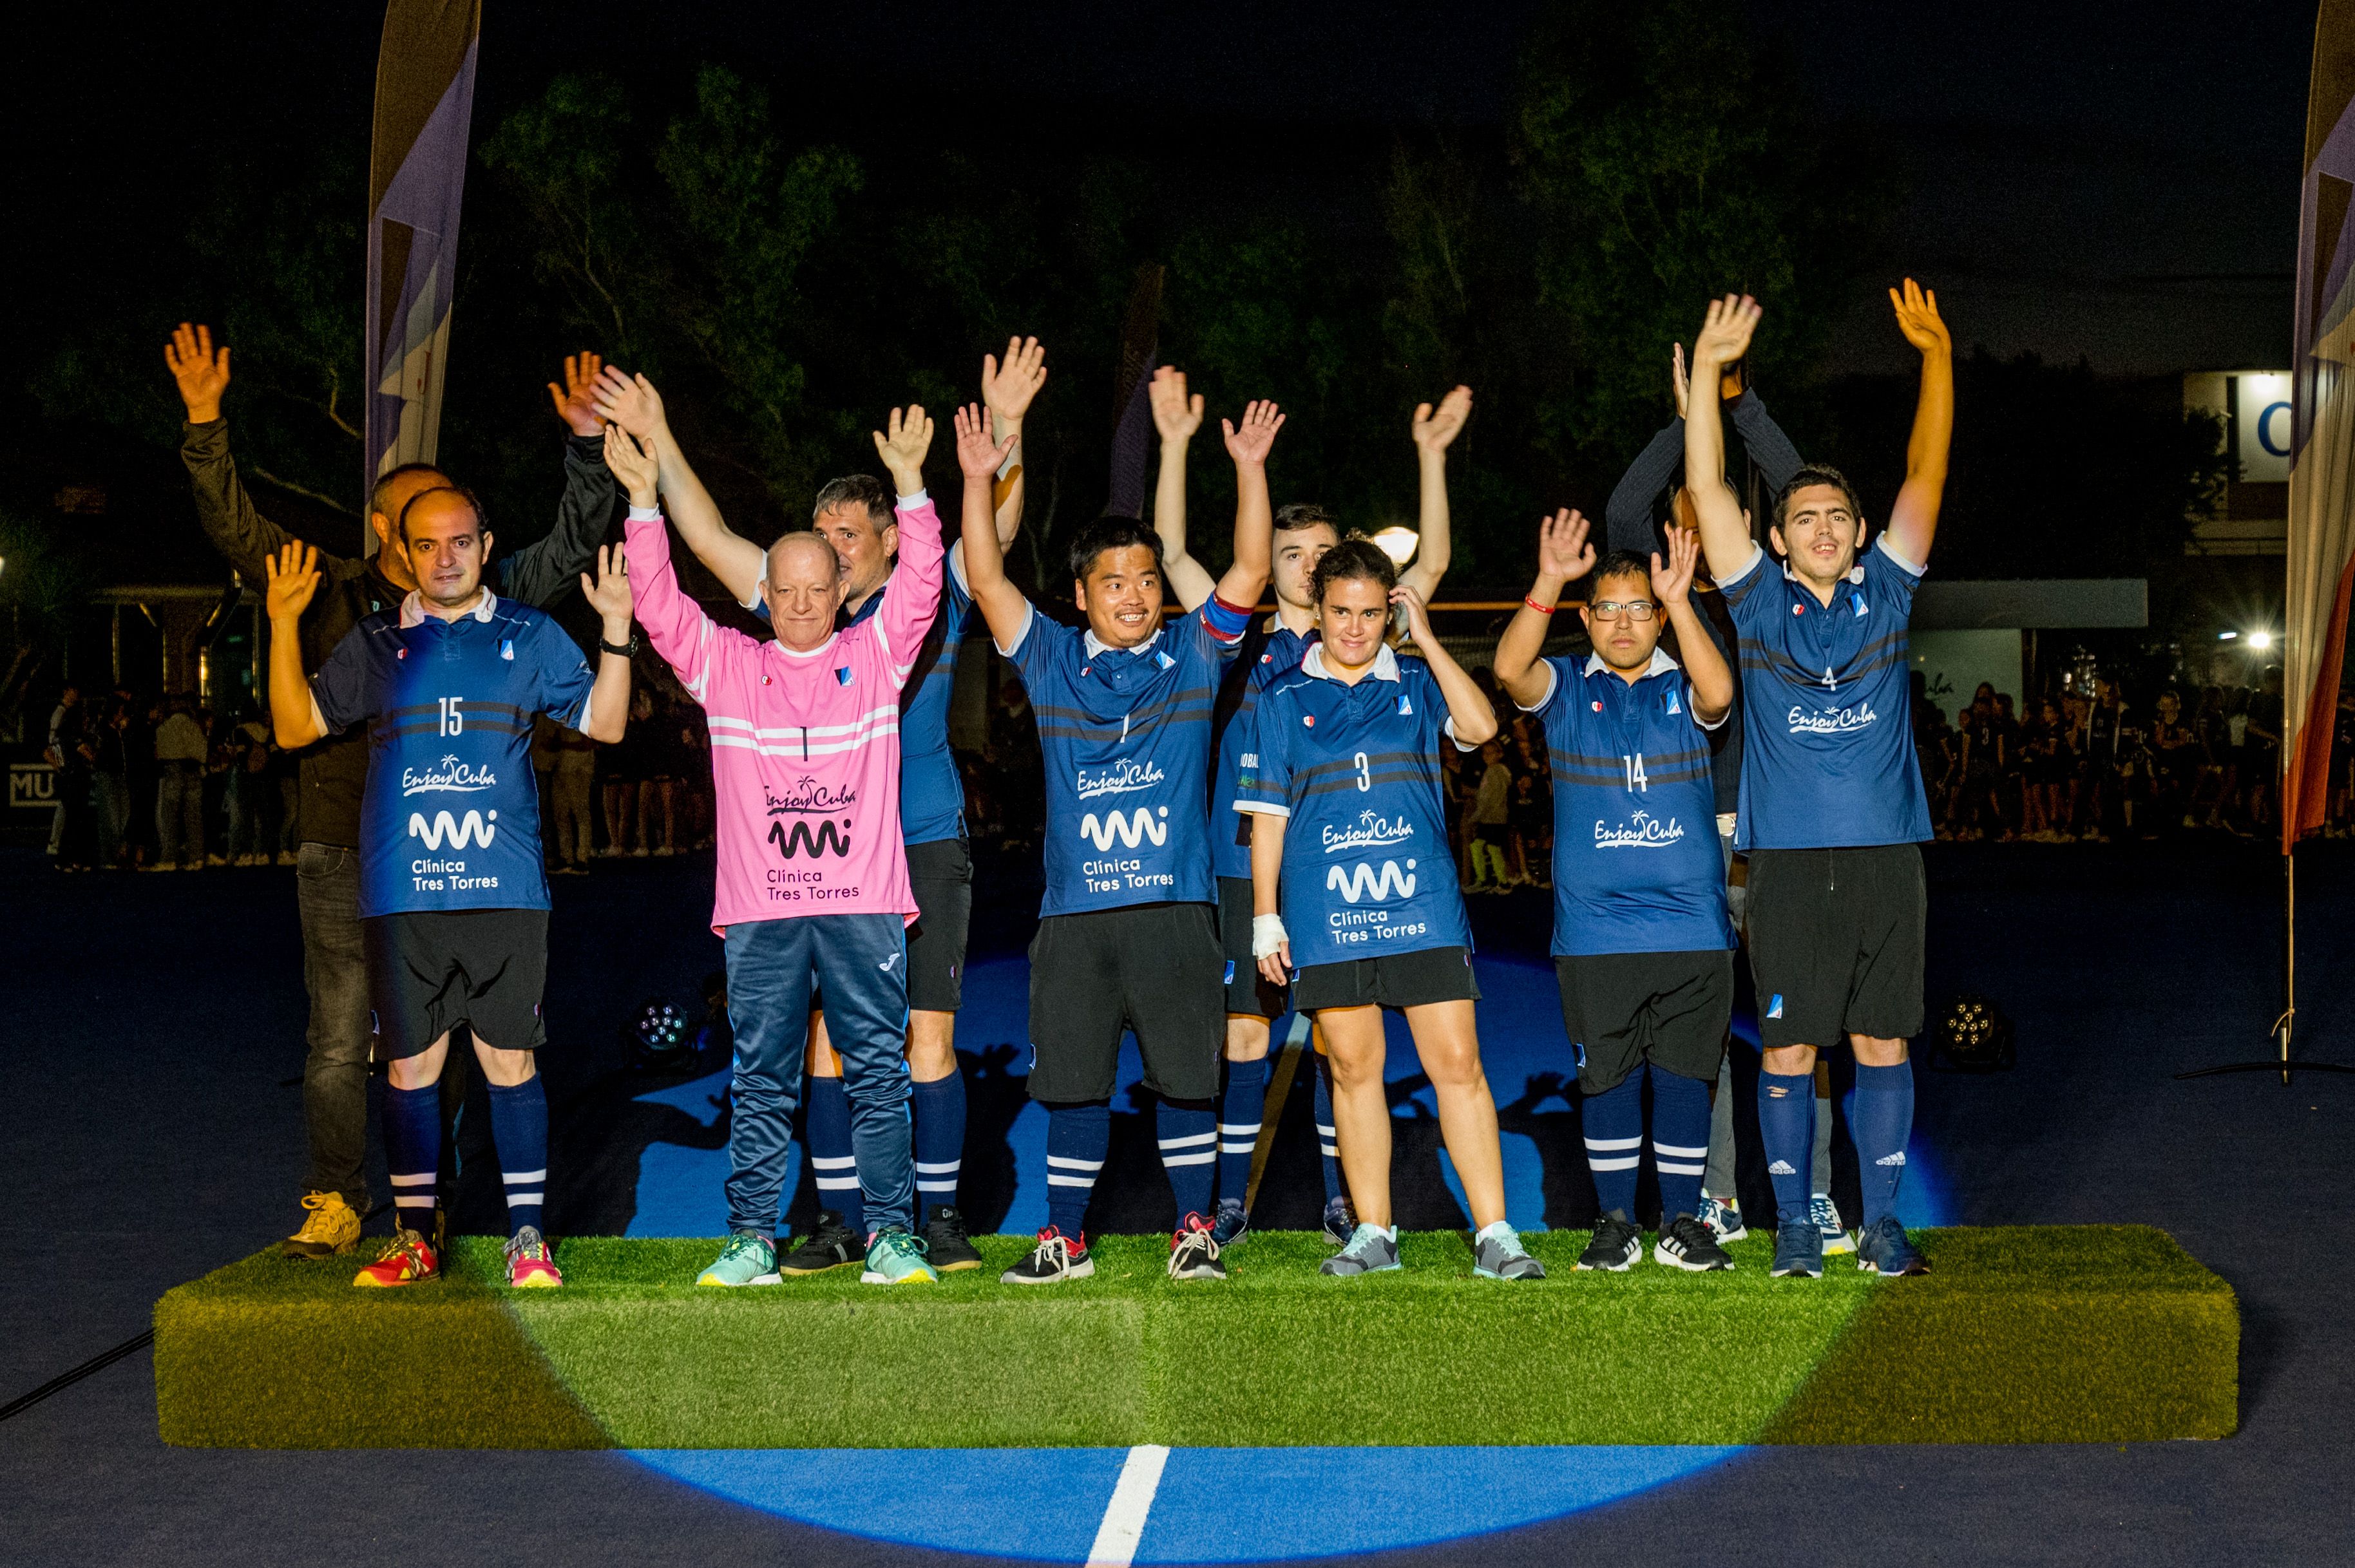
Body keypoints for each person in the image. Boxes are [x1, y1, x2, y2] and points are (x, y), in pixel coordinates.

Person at [166, 324, 620, 1260]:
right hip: (348, 852)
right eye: (421, 525)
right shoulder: (330, 595)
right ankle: (337, 1197)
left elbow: (576, 534)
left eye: (457, 528)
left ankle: (440, 1209)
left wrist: (585, 448)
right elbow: (237, 530)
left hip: (477, 868)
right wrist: (206, 424)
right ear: (388, 534)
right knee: (349, 1041)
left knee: (463, 1052)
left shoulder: (497, 595)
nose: (443, 544)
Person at [596, 339, 1044, 1273]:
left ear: (879, 542)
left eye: (844, 538)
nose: (815, 565)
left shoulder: (914, 610)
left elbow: (988, 510)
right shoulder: (777, 627)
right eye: (812, 542)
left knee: (921, 1041)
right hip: (799, 878)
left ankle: (932, 1215)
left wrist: (1002, 430)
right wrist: (656, 452)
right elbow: (700, 547)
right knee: (812, 1049)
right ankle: (836, 1219)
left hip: (909, 849)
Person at [263, 486, 636, 1289]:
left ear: (485, 542)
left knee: (510, 1065)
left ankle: (527, 1239)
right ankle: (412, 1240)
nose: (444, 558)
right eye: (427, 545)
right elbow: (295, 728)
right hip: (403, 895)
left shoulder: (529, 635)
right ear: (402, 552)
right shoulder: (373, 643)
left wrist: (615, 630)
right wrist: (283, 622)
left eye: (460, 542)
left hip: (505, 892)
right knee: (409, 1070)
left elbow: (605, 723)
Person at [960, 378, 1277, 1287]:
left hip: (1175, 911)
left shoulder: (1192, 655)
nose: (1135, 594)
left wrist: (1248, 469)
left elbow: (1249, 572)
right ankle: (1065, 1236)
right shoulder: (1052, 656)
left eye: (1146, 578)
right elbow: (985, 578)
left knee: (1187, 1077)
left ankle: (1194, 1228)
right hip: (1075, 920)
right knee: (1072, 1084)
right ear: (1081, 593)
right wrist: (981, 478)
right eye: (1114, 581)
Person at [1683, 280, 1952, 1280]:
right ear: (1781, 535)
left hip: (1888, 859)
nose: (1825, 529)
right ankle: (1797, 1220)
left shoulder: (1887, 591)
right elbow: (1711, 491)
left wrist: (1937, 358)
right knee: (1790, 1050)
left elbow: (1928, 467)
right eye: (1806, 516)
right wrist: (1710, 375)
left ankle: (1879, 1221)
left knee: (1882, 1041)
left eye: (1840, 515)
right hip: (1788, 865)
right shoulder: (1754, 604)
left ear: (1860, 527)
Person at [1176, 374, 1469, 1248]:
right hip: (1246, 865)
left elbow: (1436, 567)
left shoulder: (1365, 635)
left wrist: (1431, 456)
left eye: (1318, 550)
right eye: (1289, 552)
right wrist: (1181, 449)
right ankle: (1231, 1195)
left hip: (1343, 873)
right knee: (1245, 1042)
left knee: (1344, 1047)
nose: (1304, 564)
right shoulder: (1239, 638)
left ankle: (1352, 1197)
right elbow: (1179, 550)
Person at [1233, 538, 1543, 1280]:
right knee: (1351, 1067)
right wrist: (1265, 917)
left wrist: (1428, 641)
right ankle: (1373, 1232)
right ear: (1317, 606)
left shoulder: (1413, 679)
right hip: (1326, 910)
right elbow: (1268, 818)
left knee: (1458, 1064)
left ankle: (1496, 1233)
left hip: (1422, 906)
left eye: (1370, 613)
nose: (1353, 627)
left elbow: (1480, 728)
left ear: (1388, 612)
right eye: (1340, 611)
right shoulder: (1280, 699)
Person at [1489, 512, 1739, 1271]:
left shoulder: (1683, 681)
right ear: (1585, 618)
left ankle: (1685, 1221)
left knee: (1684, 1078)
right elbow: (1507, 669)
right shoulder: (1564, 688)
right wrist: (1548, 578)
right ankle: (1616, 1220)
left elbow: (1720, 692)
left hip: (1693, 928)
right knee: (1606, 1079)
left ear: (1659, 616)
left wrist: (1684, 600)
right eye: (1607, 608)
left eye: (1640, 607)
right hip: (1595, 933)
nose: (1623, 621)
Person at [152, 694, 209, 871]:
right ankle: (197, 857)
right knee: (193, 817)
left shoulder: (164, 728)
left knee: (170, 816)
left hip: (173, 769)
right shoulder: (194, 727)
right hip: (193, 770)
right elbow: (203, 751)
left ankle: (170, 857)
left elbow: (160, 753)